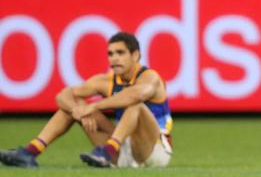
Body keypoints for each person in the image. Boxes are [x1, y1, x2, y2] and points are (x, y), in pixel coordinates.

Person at [0, 32, 173, 169]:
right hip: (122, 147)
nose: (114, 58)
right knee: (74, 105)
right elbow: (63, 95)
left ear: (135, 55)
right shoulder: (106, 81)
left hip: (154, 152)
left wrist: (93, 107)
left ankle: (106, 152)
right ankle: (30, 152)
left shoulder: (150, 78)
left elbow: (136, 95)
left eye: (120, 53)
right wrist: (79, 113)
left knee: (135, 106)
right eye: (110, 54)